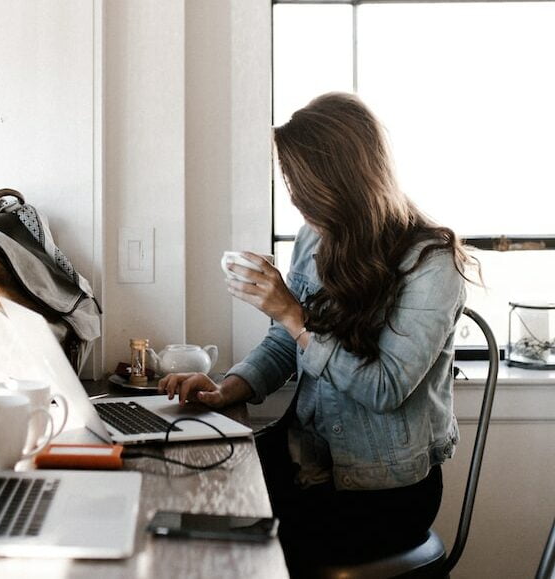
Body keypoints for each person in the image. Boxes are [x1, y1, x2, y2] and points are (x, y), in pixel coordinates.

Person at [158, 92, 478, 574]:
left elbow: (384, 388)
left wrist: (292, 314)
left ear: (342, 179)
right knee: (184, 494)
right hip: (307, 460)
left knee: (231, 548)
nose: (293, 196)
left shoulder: (431, 263)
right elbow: (286, 342)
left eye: (300, 183)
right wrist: (228, 389)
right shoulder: (316, 237)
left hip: (384, 492)